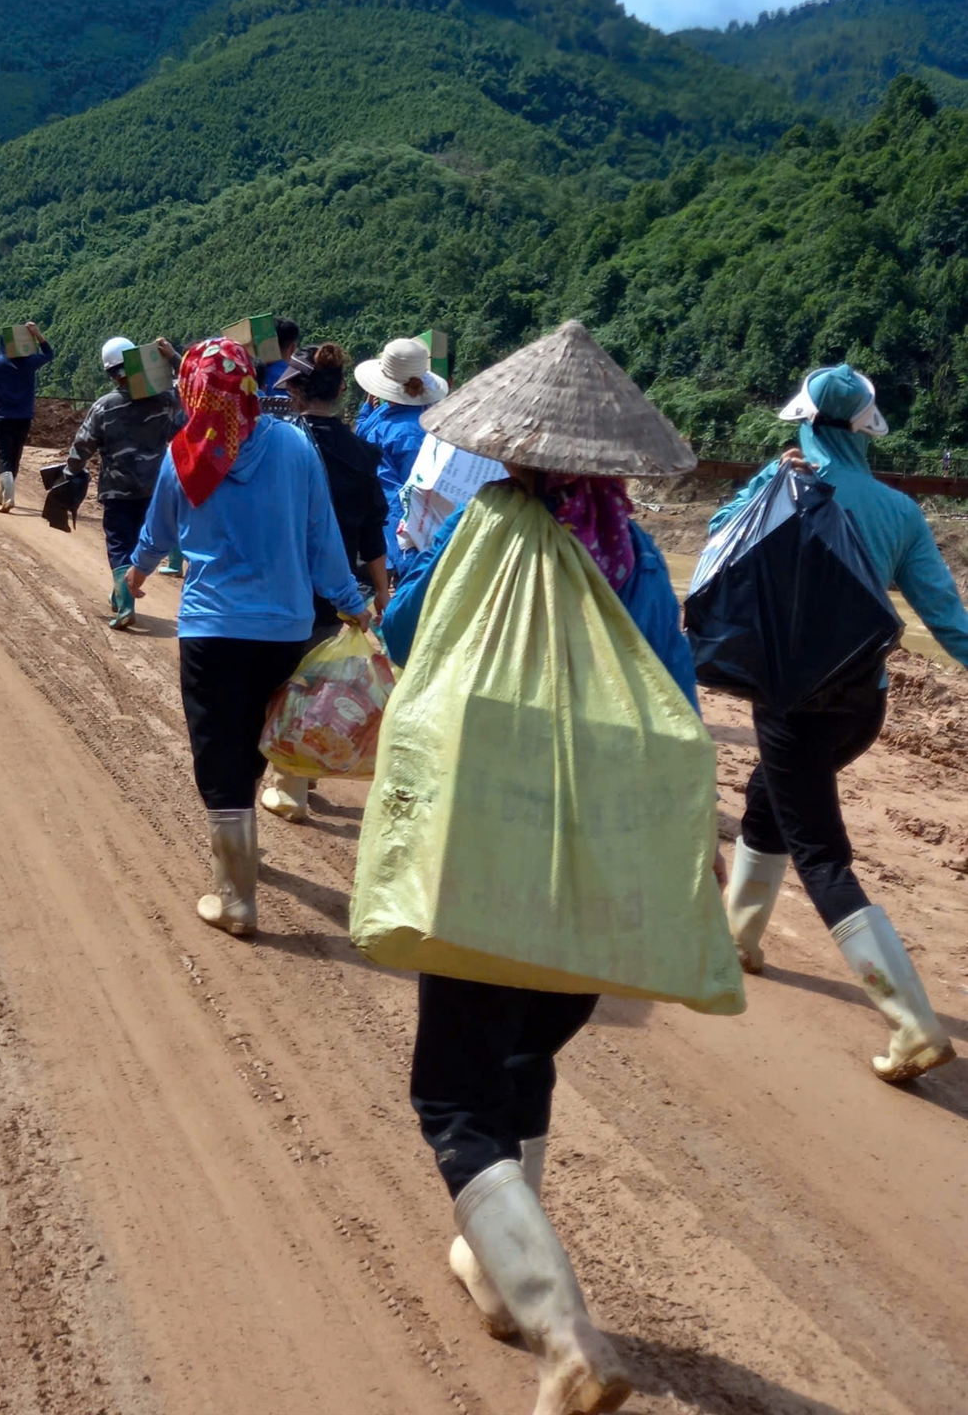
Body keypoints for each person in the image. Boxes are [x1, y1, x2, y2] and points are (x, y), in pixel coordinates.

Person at [381, 322, 704, 1415]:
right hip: (601, 864)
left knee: (451, 1095)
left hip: (490, 857)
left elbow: (401, 629)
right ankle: (495, 1269)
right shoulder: (640, 555)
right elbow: (678, 701)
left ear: (511, 448)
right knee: (526, 1058)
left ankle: (565, 1329)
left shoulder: (488, 529)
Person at [713, 363, 964, 1084]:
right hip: (863, 705)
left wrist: (768, 478)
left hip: (794, 703)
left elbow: (720, 540)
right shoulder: (901, 512)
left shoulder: (787, 489)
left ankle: (912, 1023)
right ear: (865, 431)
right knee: (771, 798)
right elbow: (946, 620)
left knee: (822, 855)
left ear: (802, 423)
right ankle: (737, 938)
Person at [124, 336, 370, 937]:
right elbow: (321, 536)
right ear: (252, 389)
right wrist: (350, 602)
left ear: (192, 392)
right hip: (285, 630)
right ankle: (242, 853)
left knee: (219, 750)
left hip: (213, 630)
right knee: (261, 736)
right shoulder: (293, 444)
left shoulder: (185, 454)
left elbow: (158, 536)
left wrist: (132, 577)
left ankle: (236, 896)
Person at [258, 341, 390, 823]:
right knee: (314, 675)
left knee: (285, 678)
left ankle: (289, 783)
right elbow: (373, 525)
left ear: (293, 389)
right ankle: (301, 766)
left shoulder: (279, 442)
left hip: (283, 579)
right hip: (340, 587)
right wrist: (379, 588)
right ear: (339, 393)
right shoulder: (361, 451)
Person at [62, 335, 185, 629]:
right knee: (144, 542)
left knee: (119, 545)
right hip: (154, 488)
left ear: (110, 373)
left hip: (116, 490)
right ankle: (122, 593)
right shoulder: (166, 401)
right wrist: (175, 359)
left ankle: (125, 604)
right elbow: (194, 389)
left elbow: (82, 446)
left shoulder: (104, 406)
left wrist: (70, 473)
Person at [354, 337, 449, 572]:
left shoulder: (400, 429)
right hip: (405, 532)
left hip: (400, 537)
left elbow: (405, 498)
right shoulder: (410, 416)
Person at [0, 321, 54, 511]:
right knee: (15, 457)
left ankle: (9, 496)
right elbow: (49, 354)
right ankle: (6, 493)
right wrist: (38, 334)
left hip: (3, 417)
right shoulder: (30, 362)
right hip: (24, 417)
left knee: (3, 457)